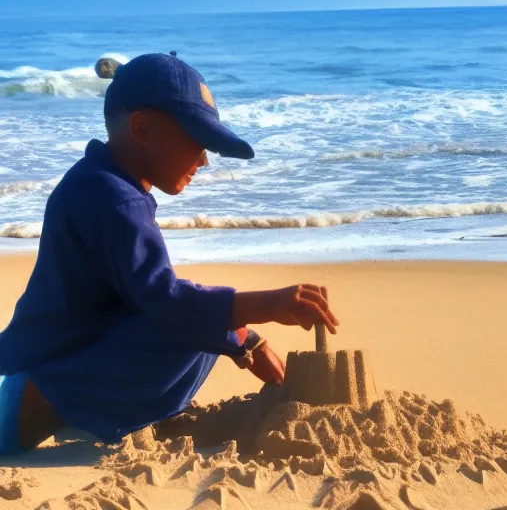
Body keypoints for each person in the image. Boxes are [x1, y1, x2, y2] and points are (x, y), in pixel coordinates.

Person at [0, 53, 339, 455]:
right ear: (142, 128)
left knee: (209, 321)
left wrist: (245, 338)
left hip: (66, 359)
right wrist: (267, 307)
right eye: (197, 142)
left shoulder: (106, 183)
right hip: (38, 387)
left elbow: (148, 296)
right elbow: (168, 305)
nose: (203, 160)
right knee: (196, 325)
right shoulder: (114, 201)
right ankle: (73, 409)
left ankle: (83, 411)